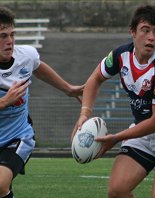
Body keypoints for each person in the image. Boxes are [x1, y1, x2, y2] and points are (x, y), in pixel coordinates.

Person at [72, 5, 155, 198]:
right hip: (142, 131)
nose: (151, 37)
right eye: (145, 30)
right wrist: (84, 114)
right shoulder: (121, 56)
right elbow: (94, 79)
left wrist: (117, 137)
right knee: (117, 191)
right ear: (133, 32)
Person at [0, 6, 84, 198]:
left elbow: (38, 66)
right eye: (2, 36)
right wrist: (4, 101)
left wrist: (68, 89)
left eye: (12, 35)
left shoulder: (26, 56)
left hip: (17, 137)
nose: (10, 41)